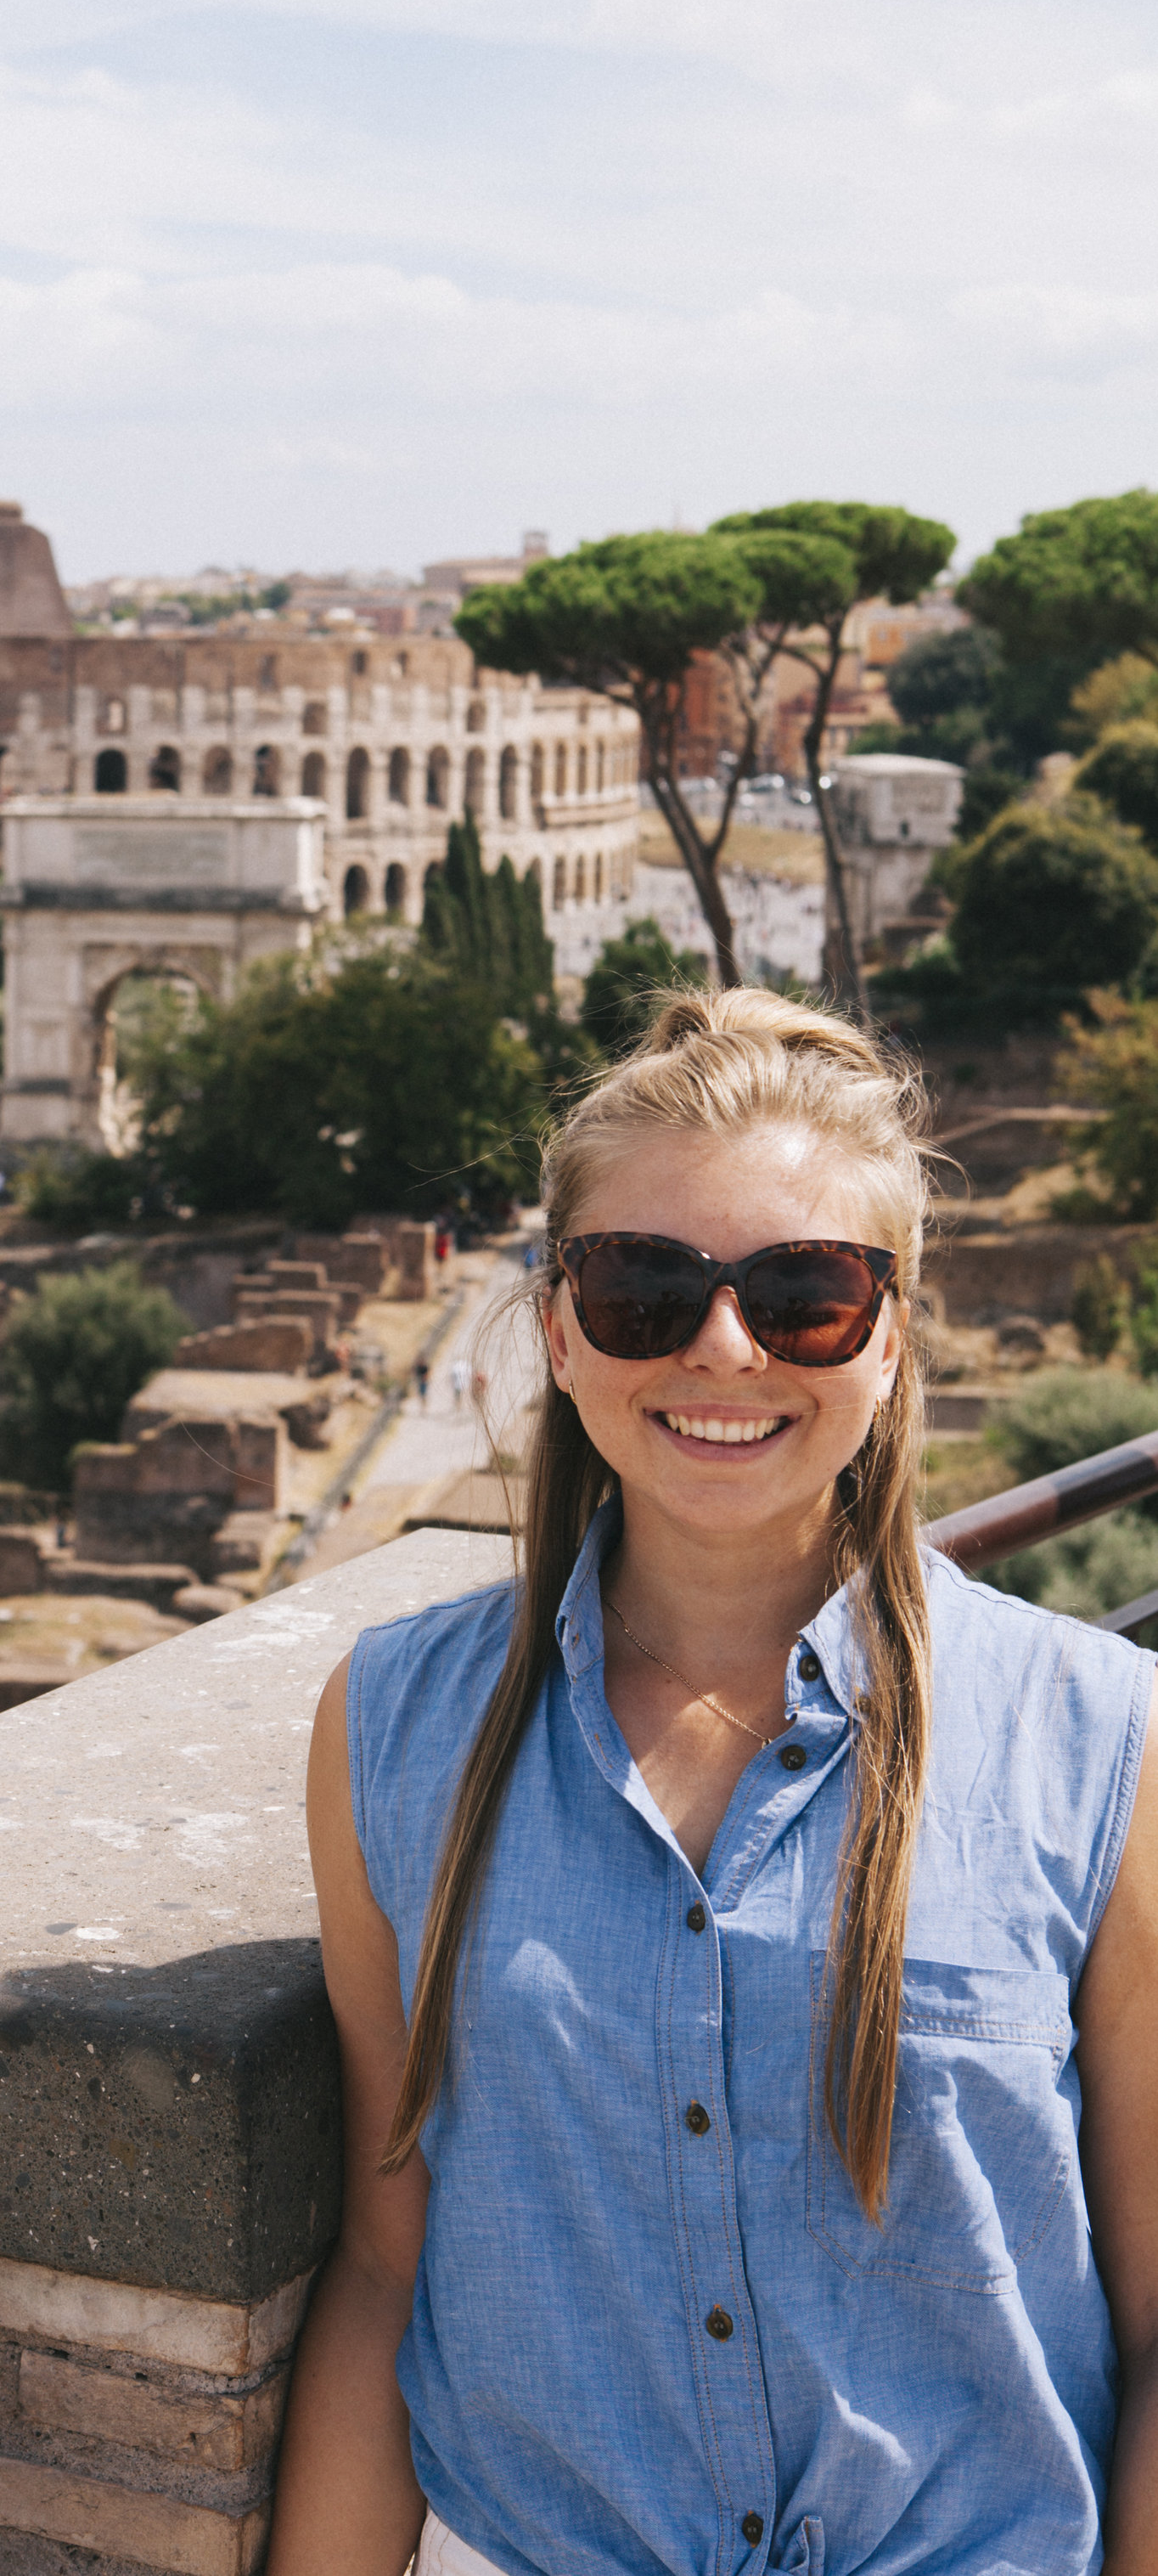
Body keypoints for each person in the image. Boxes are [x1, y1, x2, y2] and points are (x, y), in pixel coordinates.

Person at [270, 989, 1158, 2576]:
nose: (722, 1347)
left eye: (805, 1292)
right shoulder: (394, 1729)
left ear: (890, 1333)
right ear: (557, 1322)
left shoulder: (1102, 1743)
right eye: (646, 1285)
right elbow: (385, 2269)